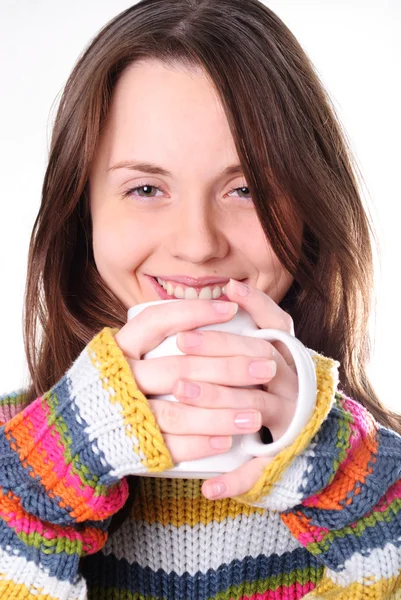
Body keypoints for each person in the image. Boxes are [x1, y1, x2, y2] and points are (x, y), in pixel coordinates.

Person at [1, 0, 400, 598]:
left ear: (309, 203)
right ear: (82, 211)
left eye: (245, 188)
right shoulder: (13, 455)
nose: (197, 245)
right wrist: (51, 472)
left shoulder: (375, 470)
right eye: (145, 187)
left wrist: (334, 463)